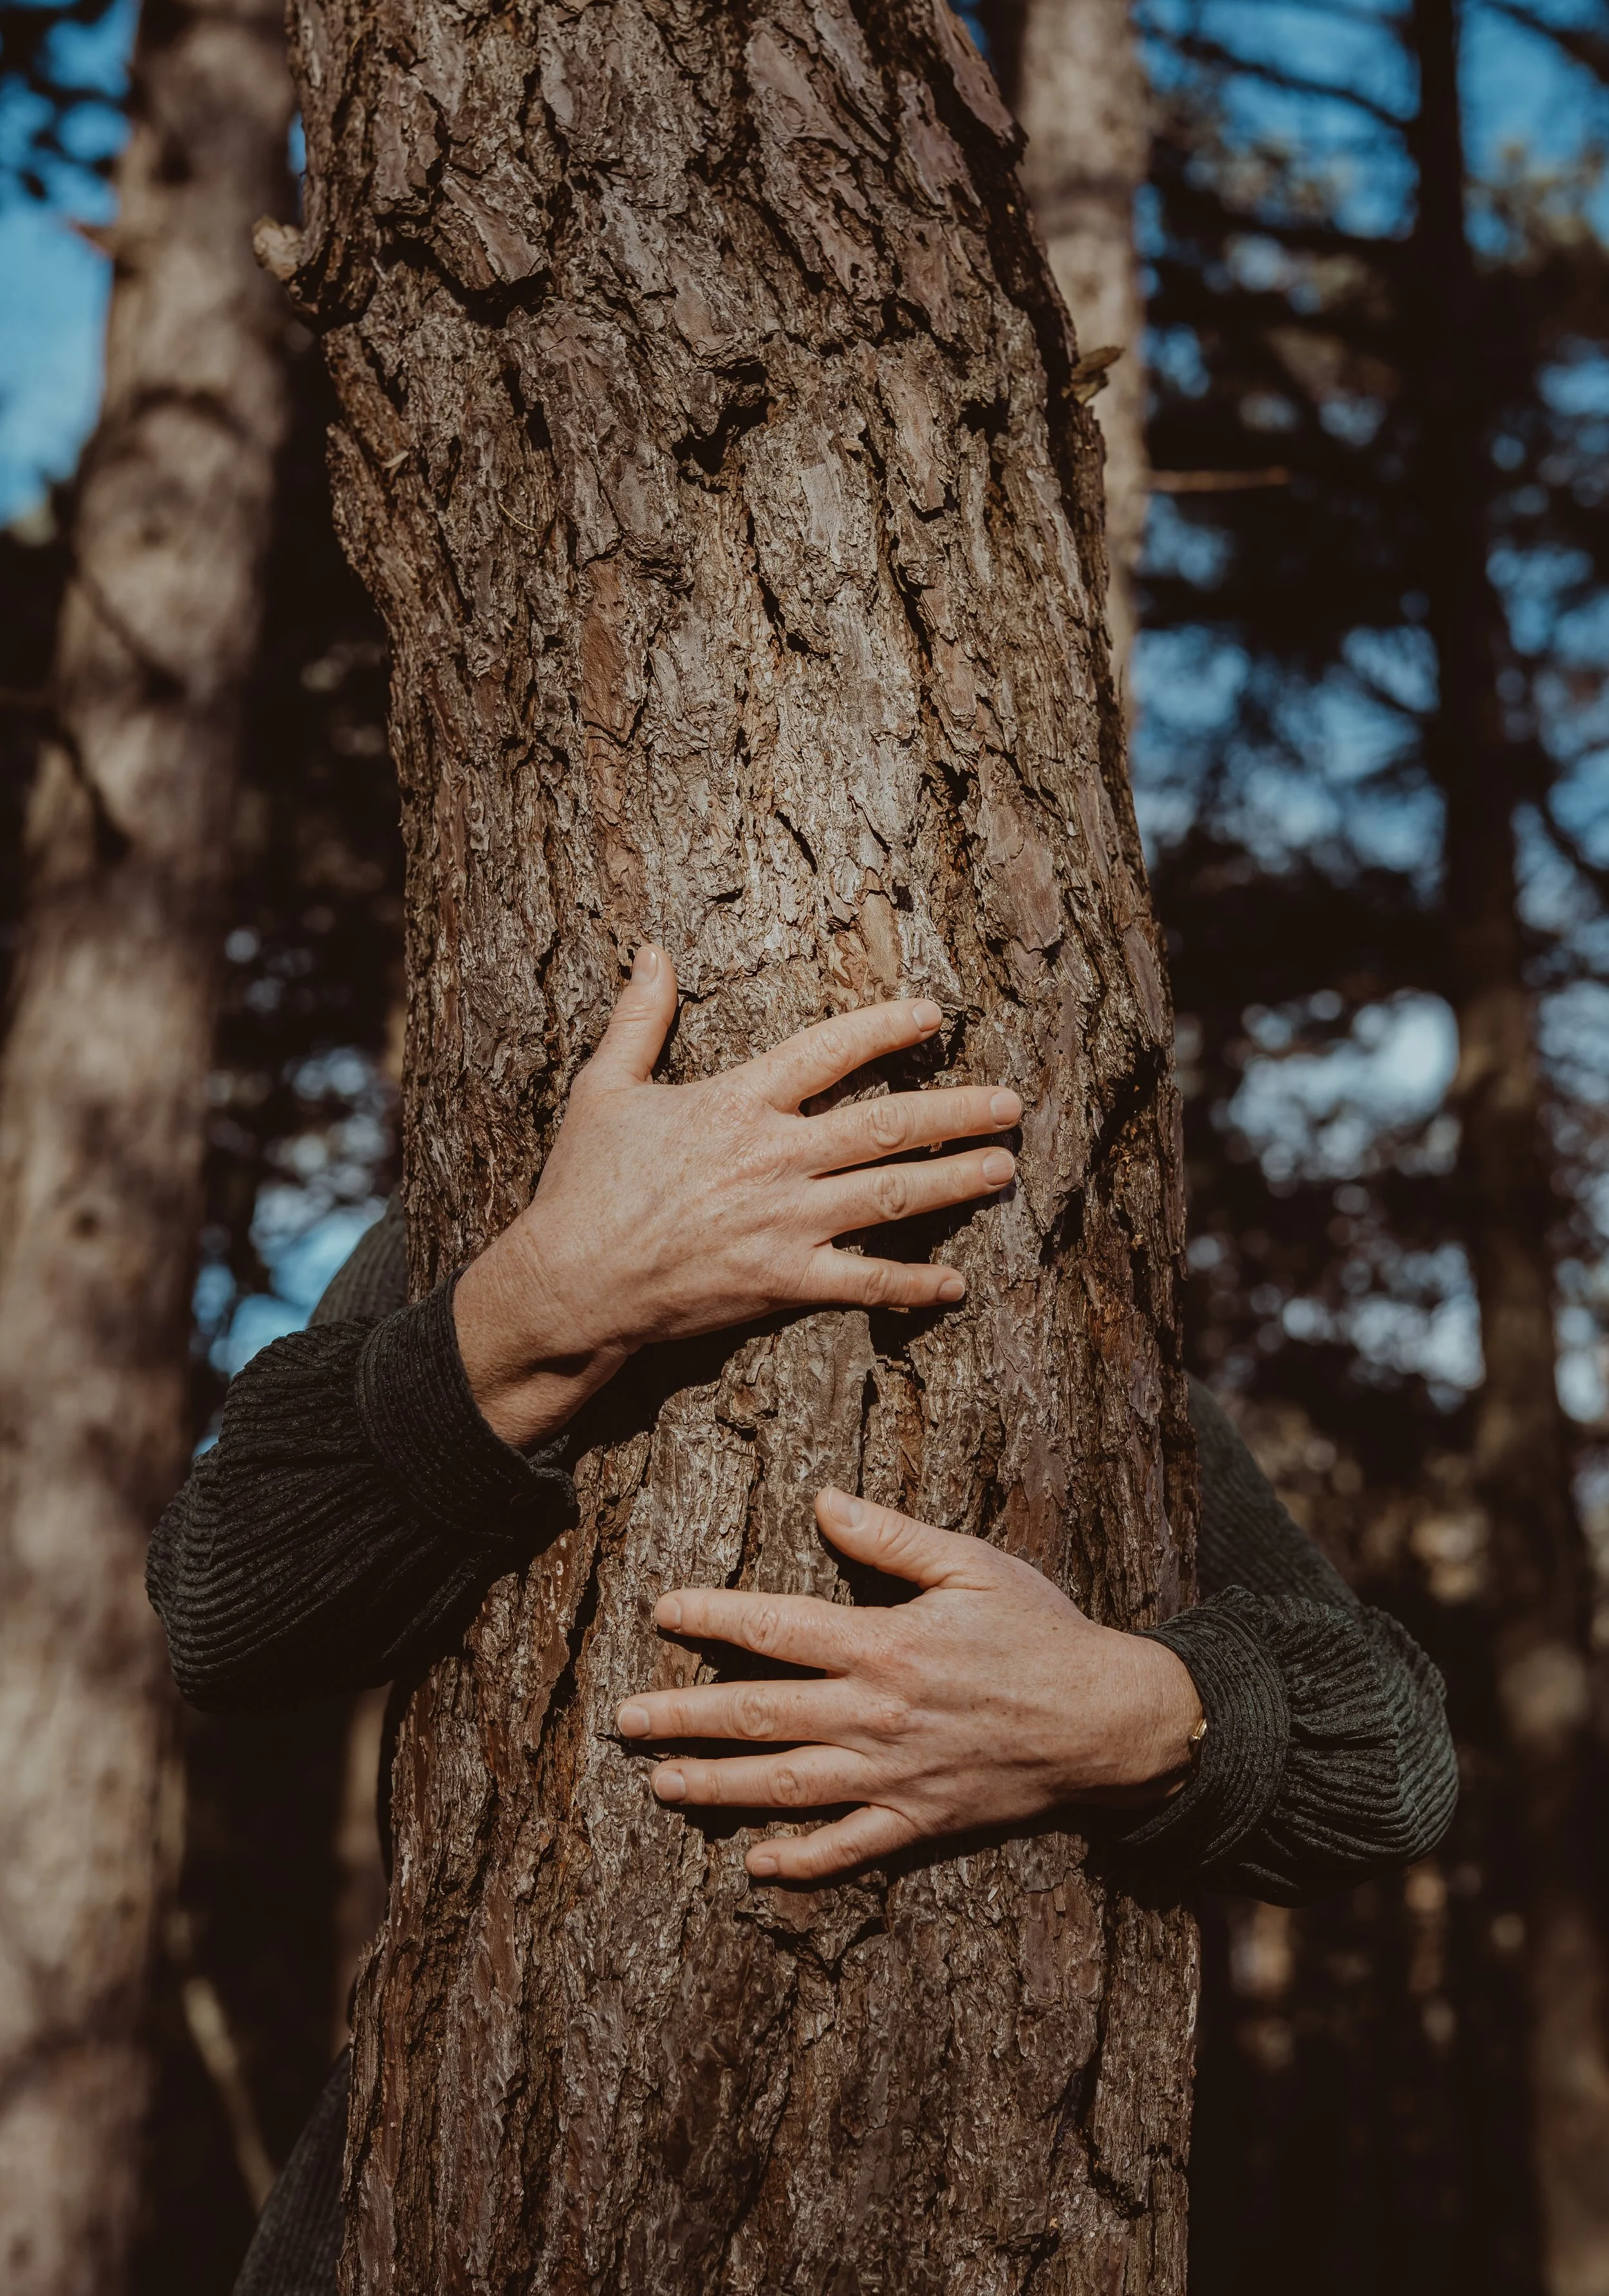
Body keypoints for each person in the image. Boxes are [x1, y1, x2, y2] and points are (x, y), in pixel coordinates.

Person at [148, 947, 1458, 2293]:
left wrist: (1111, 1714)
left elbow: (1395, 1761)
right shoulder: (481, 1216)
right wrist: (542, 1309)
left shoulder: (1078, 1321)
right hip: (447, 2219)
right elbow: (223, 1611)